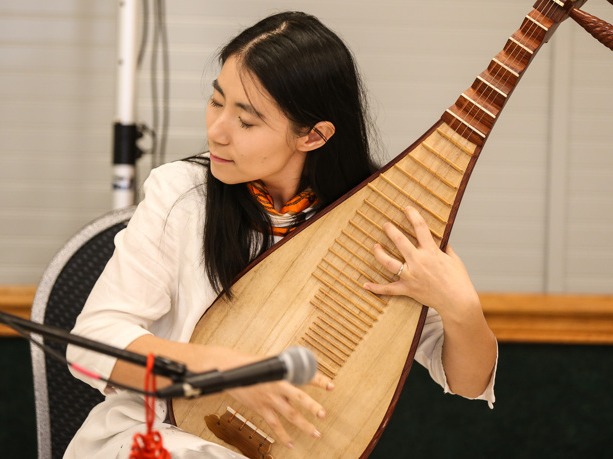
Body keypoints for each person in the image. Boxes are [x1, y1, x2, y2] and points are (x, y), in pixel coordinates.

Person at [64, 11, 497, 458]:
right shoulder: (179, 195)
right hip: (157, 441)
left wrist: (459, 305)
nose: (217, 130)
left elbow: (468, 383)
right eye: (217, 101)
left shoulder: (379, 224)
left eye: (246, 122)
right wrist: (223, 370)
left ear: (313, 136)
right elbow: (92, 343)